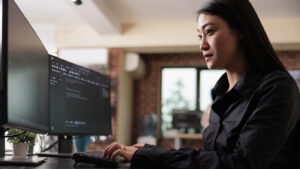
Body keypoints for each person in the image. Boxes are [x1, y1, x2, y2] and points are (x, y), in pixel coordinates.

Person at [102, 0, 300, 168]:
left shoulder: (277, 88)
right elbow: (213, 157)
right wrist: (148, 151)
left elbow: (240, 164)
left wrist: (154, 157)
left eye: (210, 32)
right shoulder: (220, 93)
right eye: (200, 35)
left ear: (241, 31)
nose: (202, 45)